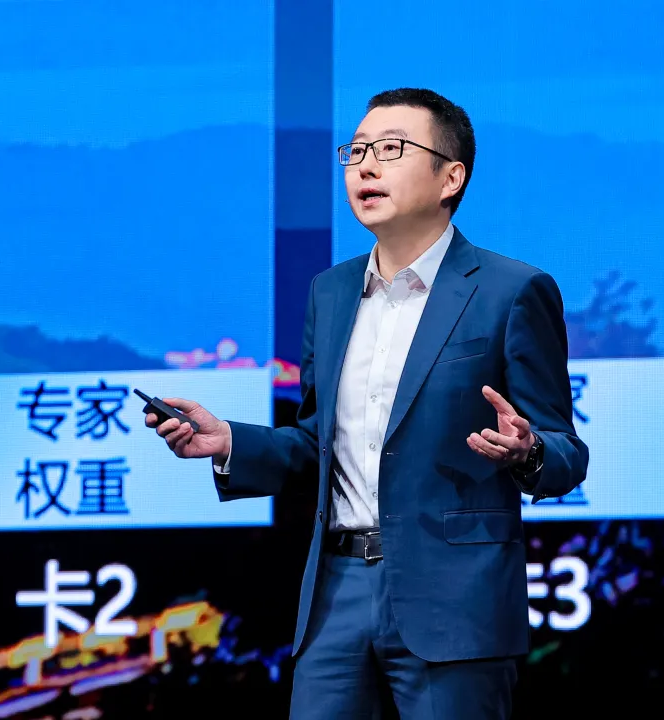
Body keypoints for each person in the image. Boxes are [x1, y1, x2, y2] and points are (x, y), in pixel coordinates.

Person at [147, 87, 588, 719]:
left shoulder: (511, 290)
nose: (366, 166)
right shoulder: (330, 293)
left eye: (391, 149)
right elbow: (315, 443)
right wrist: (230, 442)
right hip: (336, 594)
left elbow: (566, 451)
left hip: (453, 599)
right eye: (356, 151)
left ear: (451, 177)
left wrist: (528, 450)